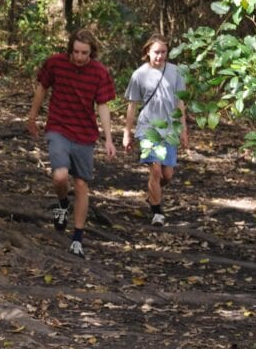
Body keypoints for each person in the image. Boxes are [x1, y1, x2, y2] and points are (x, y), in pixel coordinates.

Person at [26, 28, 117, 259]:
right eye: (75, 51)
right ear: (70, 49)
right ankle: (62, 203)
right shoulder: (55, 63)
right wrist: (32, 117)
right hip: (59, 127)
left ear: (91, 53)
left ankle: (77, 238)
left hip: (85, 134)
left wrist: (108, 138)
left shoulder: (99, 72)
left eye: (84, 53)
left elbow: (103, 105)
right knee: (59, 176)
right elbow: (42, 88)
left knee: (82, 186)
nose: (79, 57)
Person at [122, 34, 189, 225]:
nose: (160, 56)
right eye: (156, 52)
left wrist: (183, 130)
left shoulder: (175, 72)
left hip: (169, 129)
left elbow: (180, 102)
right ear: (148, 52)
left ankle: (152, 193)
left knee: (167, 175)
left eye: (163, 52)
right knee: (156, 171)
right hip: (148, 128)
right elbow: (133, 105)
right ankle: (157, 212)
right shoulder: (139, 75)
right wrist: (127, 132)